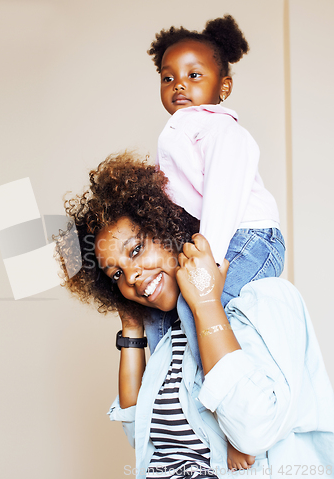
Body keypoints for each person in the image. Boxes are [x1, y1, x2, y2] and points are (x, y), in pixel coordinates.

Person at [59, 152, 334, 478]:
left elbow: (252, 431)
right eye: (116, 274)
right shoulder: (169, 338)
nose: (130, 276)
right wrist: (131, 325)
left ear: (168, 227)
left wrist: (206, 303)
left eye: (135, 250)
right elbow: (142, 437)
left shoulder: (267, 300)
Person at [146, 16, 285, 467]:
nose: (178, 85)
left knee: (199, 310)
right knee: (171, 321)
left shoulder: (224, 131)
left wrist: (208, 256)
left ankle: (237, 428)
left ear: (223, 87)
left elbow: (224, 197)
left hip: (247, 237)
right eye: (168, 78)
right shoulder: (179, 132)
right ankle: (173, 414)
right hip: (216, 238)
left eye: (194, 75)